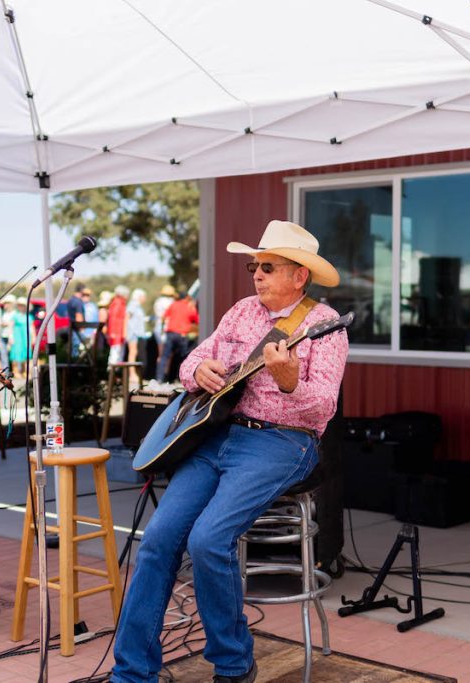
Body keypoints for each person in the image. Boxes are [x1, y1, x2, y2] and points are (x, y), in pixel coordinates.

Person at [111, 220, 348, 683]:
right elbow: (193, 360)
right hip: (217, 435)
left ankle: (234, 663)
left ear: (299, 275)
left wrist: (288, 379)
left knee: (207, 540)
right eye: (253, 266)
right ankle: (132, 671)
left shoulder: (325, 326)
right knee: (158, 540)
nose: (256, 274)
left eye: (267, 266)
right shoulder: (241, 311)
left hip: (283, 441)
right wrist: (200, 372)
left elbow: (324, 406)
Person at [155, 290, 198, 383]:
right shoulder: (189, 307)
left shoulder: (173, 304)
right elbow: (196, 320)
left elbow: (164, 317)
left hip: (170, 334)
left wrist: (163, 329)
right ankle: (182, 379)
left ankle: (159, 378)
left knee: (165, 357)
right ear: (186, 297)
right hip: (182, 335)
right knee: (184, 357)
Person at [125, 288, 150, 387]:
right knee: (132, 352)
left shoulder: (138, 306)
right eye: (143, 296)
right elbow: (127, 318)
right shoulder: (133, 305)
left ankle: (133, 374)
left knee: (134, 353)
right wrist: (126, 332)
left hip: (137, 333)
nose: (145, 298)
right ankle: (132, 374)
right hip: (132, 333)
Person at [8, 299, 32, 379]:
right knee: (16, 353)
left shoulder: (29, 316)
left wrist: (34, 337)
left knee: (26, 354)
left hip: (26, 337)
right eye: (19, 305)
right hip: (17, 337)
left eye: (22, 305)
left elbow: (32, 327)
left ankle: (24, 371)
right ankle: (16, 371)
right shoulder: (15, 316)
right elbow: (10, 327)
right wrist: (10, 337)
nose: (20, 307)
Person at [106, 285, 129, 366]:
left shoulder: (121, 303)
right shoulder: (117, 303)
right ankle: (112, 374)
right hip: (116, 333)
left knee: (119, 355)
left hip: (119, 333)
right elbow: (112, 318)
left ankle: (116, 374)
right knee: (115, 354)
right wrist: (112, 332)